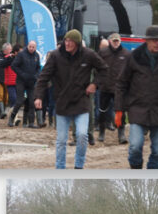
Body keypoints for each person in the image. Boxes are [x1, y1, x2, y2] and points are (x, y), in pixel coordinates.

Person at [33, 29, 107, 169]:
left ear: (77, 43)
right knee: (61, 140)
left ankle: (79, 166)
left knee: (82, 136)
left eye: (70, 41)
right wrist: (38, 97)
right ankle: (60, 167)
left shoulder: (88, 55)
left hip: (81, 102)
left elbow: (104, 69)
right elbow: (43, 77)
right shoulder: (55, 56)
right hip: (62, 103)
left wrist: (94, 84)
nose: (67, 43)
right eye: (66, 40)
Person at [114, 25, 158, 169]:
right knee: (135, 146)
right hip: (137, 109)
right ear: (147, 41)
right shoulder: (134, 57)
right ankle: (136, 168)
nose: (157, 43)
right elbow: (121, 84)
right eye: (154, 40)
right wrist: (119, 109)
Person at [98, 33, 130, 144]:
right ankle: (101, 132)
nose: (116, 43)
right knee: (102, 111)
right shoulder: (103, 52)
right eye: (114, 41)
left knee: (120, 111)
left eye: (117, 41)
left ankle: (121, 134)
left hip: (119, 88)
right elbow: (97, 68)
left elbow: (130, 70)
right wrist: (98, 82)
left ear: (120, 41)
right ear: (110, 41)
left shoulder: (126, 54)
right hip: (105, 87)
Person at [10, 41, 40, 127]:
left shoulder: (36, 56)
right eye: (30, 46)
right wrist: (22, 74)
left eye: (33, 47)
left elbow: (38, 68)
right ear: (27, 46)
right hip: (21, 81)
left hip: (31, 82)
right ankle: (11, 119)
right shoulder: (21, 54)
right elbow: (14, 66)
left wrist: (36, 75)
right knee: (20, 101)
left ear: (35, 47)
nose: (31, 48)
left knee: (31, 102)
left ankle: (31, 122)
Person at [0, 43, 15, 120]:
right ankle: (1, 112)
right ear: (5, 50)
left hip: (7, 81)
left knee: (6, 97)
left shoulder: (12, 58)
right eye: (10, 49)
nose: (11, 50)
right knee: (0, 95)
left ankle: (3, 113)